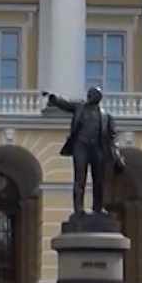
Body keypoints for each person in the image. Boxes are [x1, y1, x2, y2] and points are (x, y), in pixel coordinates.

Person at [43, 87, 125, 215]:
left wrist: (117, 154)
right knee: (80, 178)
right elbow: (65, 104)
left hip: (97, 148)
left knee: (99, 179)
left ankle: (98, 207)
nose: (89, 97)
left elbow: (112, 137)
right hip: (81, 146)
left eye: (92, 95)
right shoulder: (79, 107)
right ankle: (78, 208)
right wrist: (53, 97)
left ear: (98, 98)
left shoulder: (106, 116)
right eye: (89, 94)